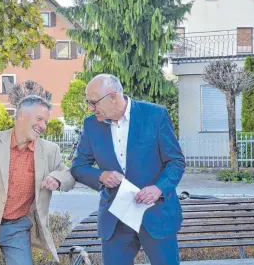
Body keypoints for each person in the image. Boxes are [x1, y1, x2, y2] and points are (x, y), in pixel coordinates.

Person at [71, 74, 185, 265]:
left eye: (93, 102)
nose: (90, 108)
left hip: (156, 215)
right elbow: (78, 167)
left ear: (113, 96)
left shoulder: (155, 115)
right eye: (88, 103)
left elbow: (176, 161)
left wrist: (158, 189)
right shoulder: (91, 125)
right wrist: (101, 175)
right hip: (115, 220)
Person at [0, 95, 75, 265]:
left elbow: (69, 175)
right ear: (22, 115)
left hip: (17, 228)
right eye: (39, 119)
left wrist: (57, 178)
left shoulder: (49, 150)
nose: (43, 126)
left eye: (46, 122)